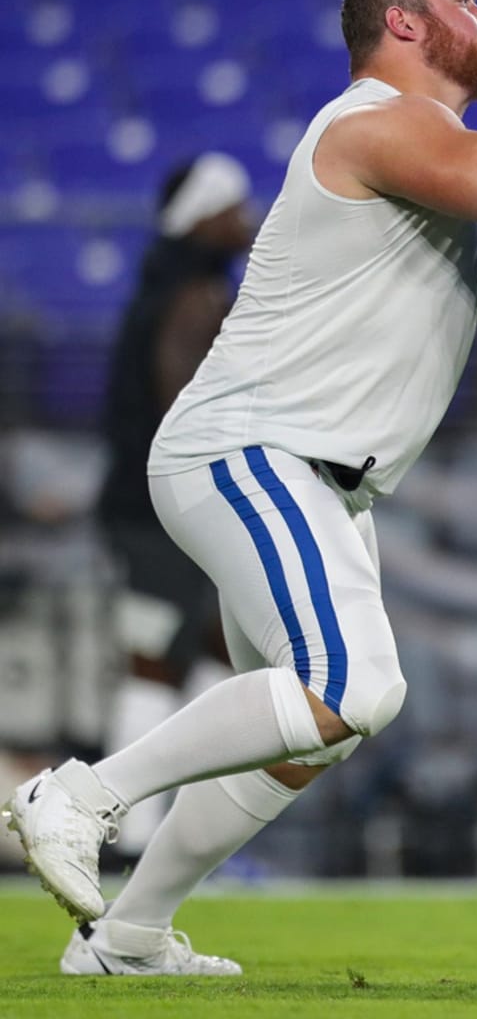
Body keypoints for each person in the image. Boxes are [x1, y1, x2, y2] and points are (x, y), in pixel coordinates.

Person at [3, 0, 477, 975]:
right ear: (406, 27)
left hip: (317, 473)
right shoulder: (378, 122)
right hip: (256, 450)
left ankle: (129, 936)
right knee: (353, 686)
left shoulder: (438, 162)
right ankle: (77, 795)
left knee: (308, 735)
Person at [96, 153, 253, 861]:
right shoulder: (192, 299)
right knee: (155, 657)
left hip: (152, 508)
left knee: (213, 653)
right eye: (232, 209)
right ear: (202, 218)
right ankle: (126, 830)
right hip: (162, 512)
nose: (244, 222)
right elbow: (183, 414)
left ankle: (179, 834)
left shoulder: (166, 292)